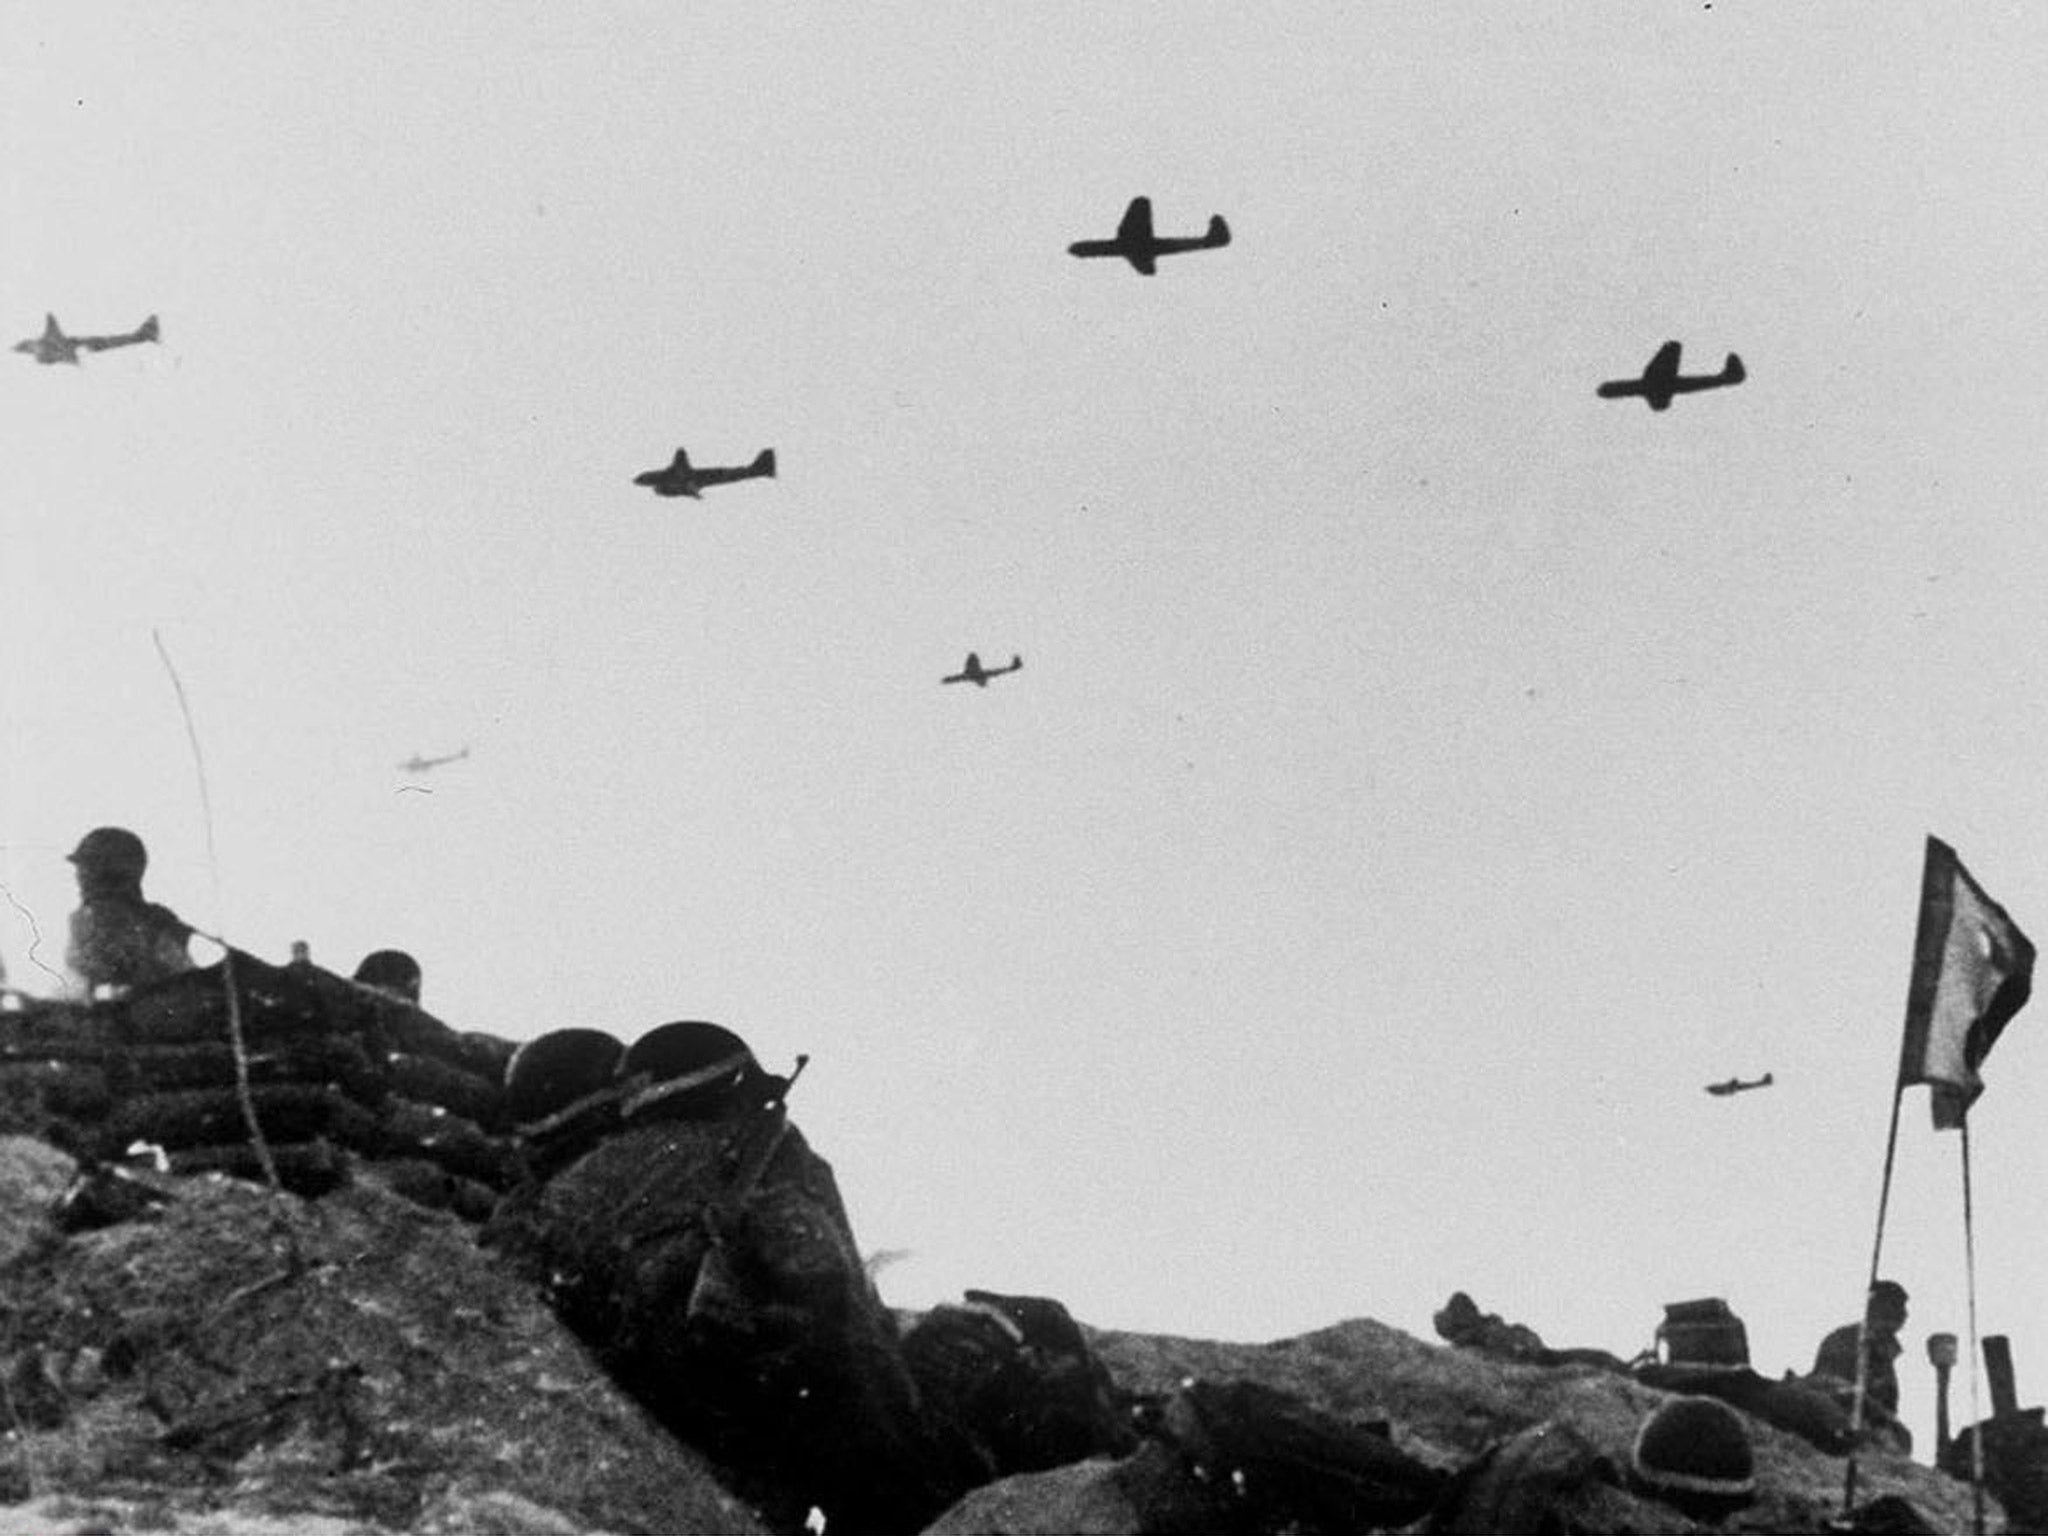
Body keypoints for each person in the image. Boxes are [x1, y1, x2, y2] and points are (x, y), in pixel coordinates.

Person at [64, 826, 194, 995]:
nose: (79, 877)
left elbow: (184, 981)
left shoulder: (156, 925)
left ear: (109, 873)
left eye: (87, 868)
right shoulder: (81, 922)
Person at [1813, 1279, 1910, 1421]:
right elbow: (1828, 1385)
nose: (1904, 1314)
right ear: (1879, 1307)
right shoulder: (1845, 1340)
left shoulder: (1885, 1356)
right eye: (1897, 1306)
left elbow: (1889, 1406)